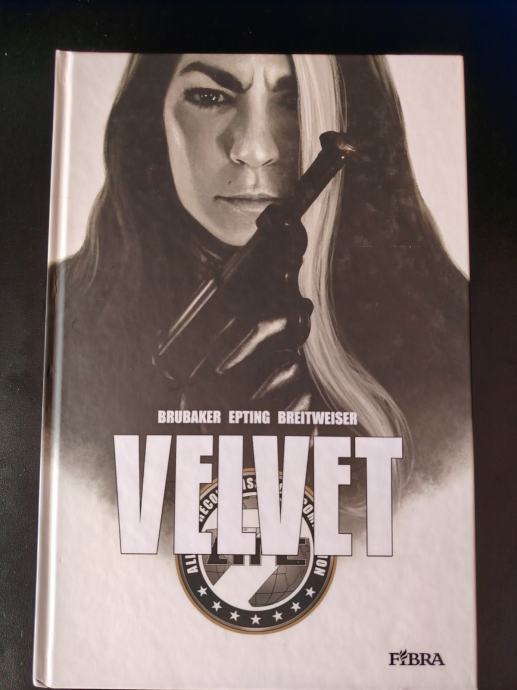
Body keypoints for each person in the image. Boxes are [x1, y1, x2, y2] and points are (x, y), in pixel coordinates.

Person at [47, 54, 470, 518]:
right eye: (209, 97)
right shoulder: (52, 326)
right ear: (152, 116)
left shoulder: (460, 360)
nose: (253, 149)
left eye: (295, 102)